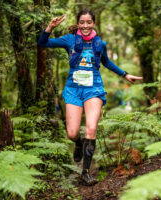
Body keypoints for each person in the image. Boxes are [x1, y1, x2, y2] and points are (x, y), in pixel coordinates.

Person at [38, 9, 142, 185]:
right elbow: (43, 43)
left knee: (91, 129)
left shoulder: (100, 43)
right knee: (72, 133)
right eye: (82, 22)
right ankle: (78, 143)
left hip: (93, 89)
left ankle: (85, 172)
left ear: (93, 23)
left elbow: (106, 62)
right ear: (78, 24)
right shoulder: (69, 40)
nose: (85, 25)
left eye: (89, 22)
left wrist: (125, 75)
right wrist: (50, 26)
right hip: (73, 89)